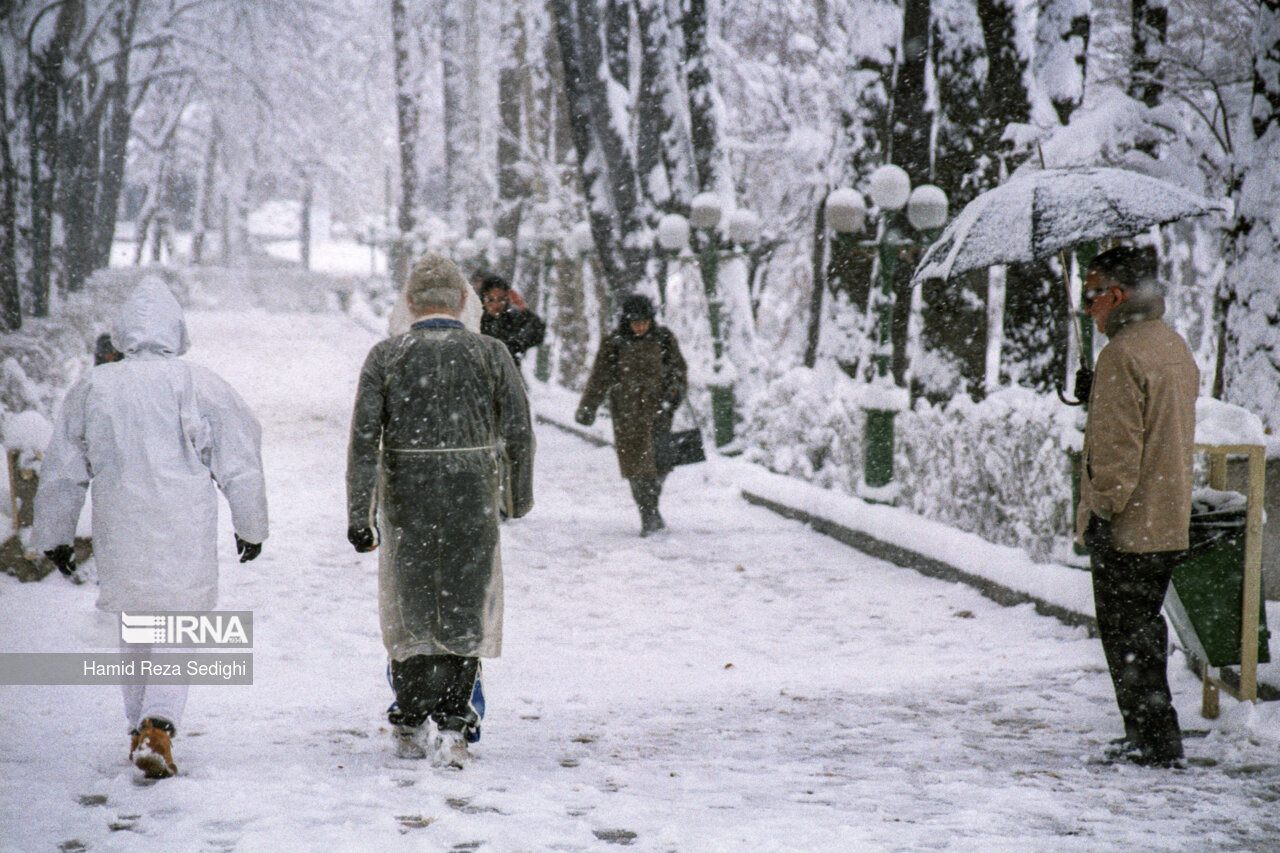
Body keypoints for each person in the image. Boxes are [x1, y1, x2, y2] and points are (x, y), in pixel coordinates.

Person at [32, 277, 268, 780]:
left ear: (122, 333)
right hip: (182, 525)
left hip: (123, 525)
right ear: (175, 330)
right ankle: (157, 726)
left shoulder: (96, 387)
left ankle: (136, 729)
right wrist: (251, 524)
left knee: (135, 626)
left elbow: (63, 468)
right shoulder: (199, 384)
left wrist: (55, 535)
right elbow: (240, 458)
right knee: (177, 625)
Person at [346, 253, 534, 768]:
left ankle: (409, 716)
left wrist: (360, 515)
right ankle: (455, 722)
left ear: (409, 302)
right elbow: (519, 430)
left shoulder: (386, 356)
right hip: (471, 496)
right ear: (461, 301)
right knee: (463, 609)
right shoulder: (491, 353)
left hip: (407, 497)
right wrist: (517, 497)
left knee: (410, 610)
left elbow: (364, 442)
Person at [1075, 246, 1198, 768]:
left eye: (1092, 295)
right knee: (1145, 628)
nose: (1087, 308)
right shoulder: (1171, 345)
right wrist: (1096, 397)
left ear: (1116, 296)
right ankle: (1155, 735)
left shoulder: (1120, 355)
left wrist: (1101, 512)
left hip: (1129, 523)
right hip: (1167, 516)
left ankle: (1151, 740)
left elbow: (1120, 449)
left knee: (1127, 635)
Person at [575, 294, 687, 536]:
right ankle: (648, 514)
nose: (640, 327)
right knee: (636, 469)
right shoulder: (614, 343)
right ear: (626, 321)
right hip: (627, 415)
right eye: (635, 322)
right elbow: (599, 377)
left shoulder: (664, 339)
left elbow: (678, 370)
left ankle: (652, 506)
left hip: (659, 413)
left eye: (644, 322)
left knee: (660, 466)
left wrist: (674, 392)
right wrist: (588, 407)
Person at [477, 273, 545, 369]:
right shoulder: (475, 322)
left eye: (501, 300)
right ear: (483, 299)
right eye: (490, 300)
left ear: (507, 299)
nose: (496, 306)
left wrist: (523, 308)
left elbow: (537, 332)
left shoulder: (512, 320)